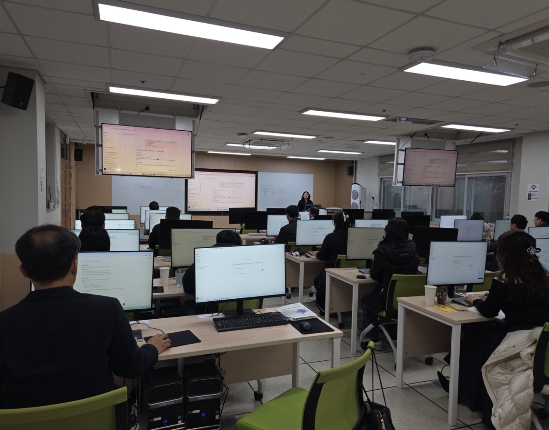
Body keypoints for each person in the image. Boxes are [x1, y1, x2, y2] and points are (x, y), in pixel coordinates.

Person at [0, 225, 170, 409]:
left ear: (24, 271)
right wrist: (152, 348)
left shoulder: (5, 323)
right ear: (74, 266)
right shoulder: (107, 309)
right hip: (97, 419)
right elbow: (130, 368)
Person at [457, 231, 549, 428]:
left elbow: (489, 311)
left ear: (504, 254)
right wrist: (494, 296)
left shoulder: (505, 280)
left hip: (519, 338)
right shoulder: (544, 275)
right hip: (544, 338)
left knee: (473, 341)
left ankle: (469, 394)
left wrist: (476, 300)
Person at [360, 218, 419, 344]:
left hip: (387, 300)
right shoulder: (413, 248)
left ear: (388, 232)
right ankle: (392, 333)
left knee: (367, 301)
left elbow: (375, 276)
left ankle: (373, 339)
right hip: (410, 301)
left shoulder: (382, 251)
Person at [182, 230, 242, 314]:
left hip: (211, 313)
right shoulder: (246, 261)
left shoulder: (205, 257)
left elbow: (188, 288)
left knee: (188, 304)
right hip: (247, 311)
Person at [313, 212, 350, 313]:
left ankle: (327, 305)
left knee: (318, 279)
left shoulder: (331, 237)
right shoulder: (353, 237)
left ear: (335, 223)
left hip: (333, 273)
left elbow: (321, 256)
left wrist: (316, 253)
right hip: (351, 273)